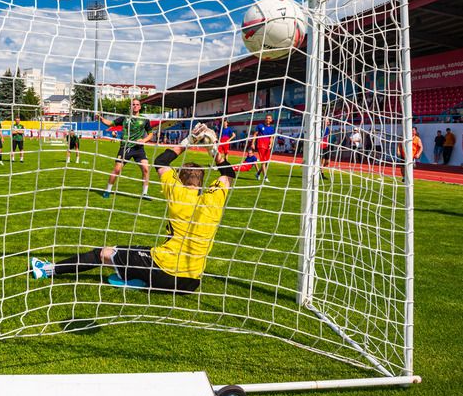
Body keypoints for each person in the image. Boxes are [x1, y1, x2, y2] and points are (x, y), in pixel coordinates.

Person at [29, 127, 234, 292]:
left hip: (165, 271)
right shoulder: (215, 198)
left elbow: (161, 161)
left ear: (179, 178)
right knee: (141, 250)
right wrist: (212, 148)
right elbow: (229, 174)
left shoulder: (176, 191)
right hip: (191, 282)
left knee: (104, 253)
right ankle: (137, 279)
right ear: (203, 181)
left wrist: (189, 140)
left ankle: (47, 270)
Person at [99, 98, 153, 198]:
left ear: (140, 107)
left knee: (146, 169)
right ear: (130, 107)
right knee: (117, 170)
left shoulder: (145, 120)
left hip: (139, 149)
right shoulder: (124, 118)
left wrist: (144, 140)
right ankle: (108, 190)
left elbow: (150, 134)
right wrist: (102, 120)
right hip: (125, 147)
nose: (135, 106)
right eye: (133, 104)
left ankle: (145, 193)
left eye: (137, 104)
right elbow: (110, 123)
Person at [252, 114, 277, 180]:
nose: (268, 119)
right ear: (265, 119)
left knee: (266, 162)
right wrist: (253, 143)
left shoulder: (272, 128)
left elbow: (271, 137)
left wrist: (271, 144)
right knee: (263, 161)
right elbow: (255, 134)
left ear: (271, 120)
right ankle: (265, 177)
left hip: (267, 145)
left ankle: (258, 174)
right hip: (261, 144)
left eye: (269, 118)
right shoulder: (260, 126)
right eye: (267, 118)